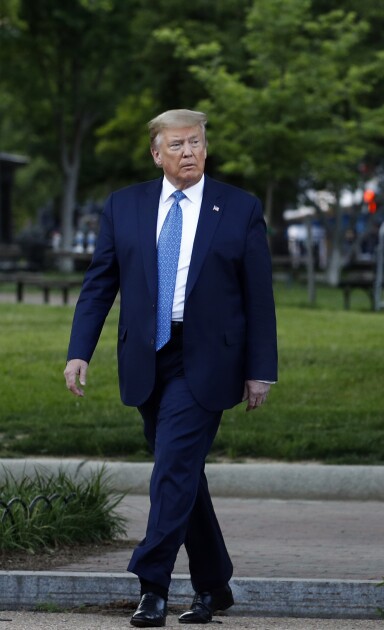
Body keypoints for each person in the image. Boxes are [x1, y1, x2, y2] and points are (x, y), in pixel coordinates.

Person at [63, 109, 278, 628]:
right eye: (178, 145)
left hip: (208, 359)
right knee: (183, 476)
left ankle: (151, 583)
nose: (189, 153)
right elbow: (100, 284)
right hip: (146, 356)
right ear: (157, 153)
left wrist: (260, 369)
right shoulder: (124, 206)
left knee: (172, 469)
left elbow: (259, 297)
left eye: (197, 143)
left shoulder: (240, 208)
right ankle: (214, 585)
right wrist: (79, 351)